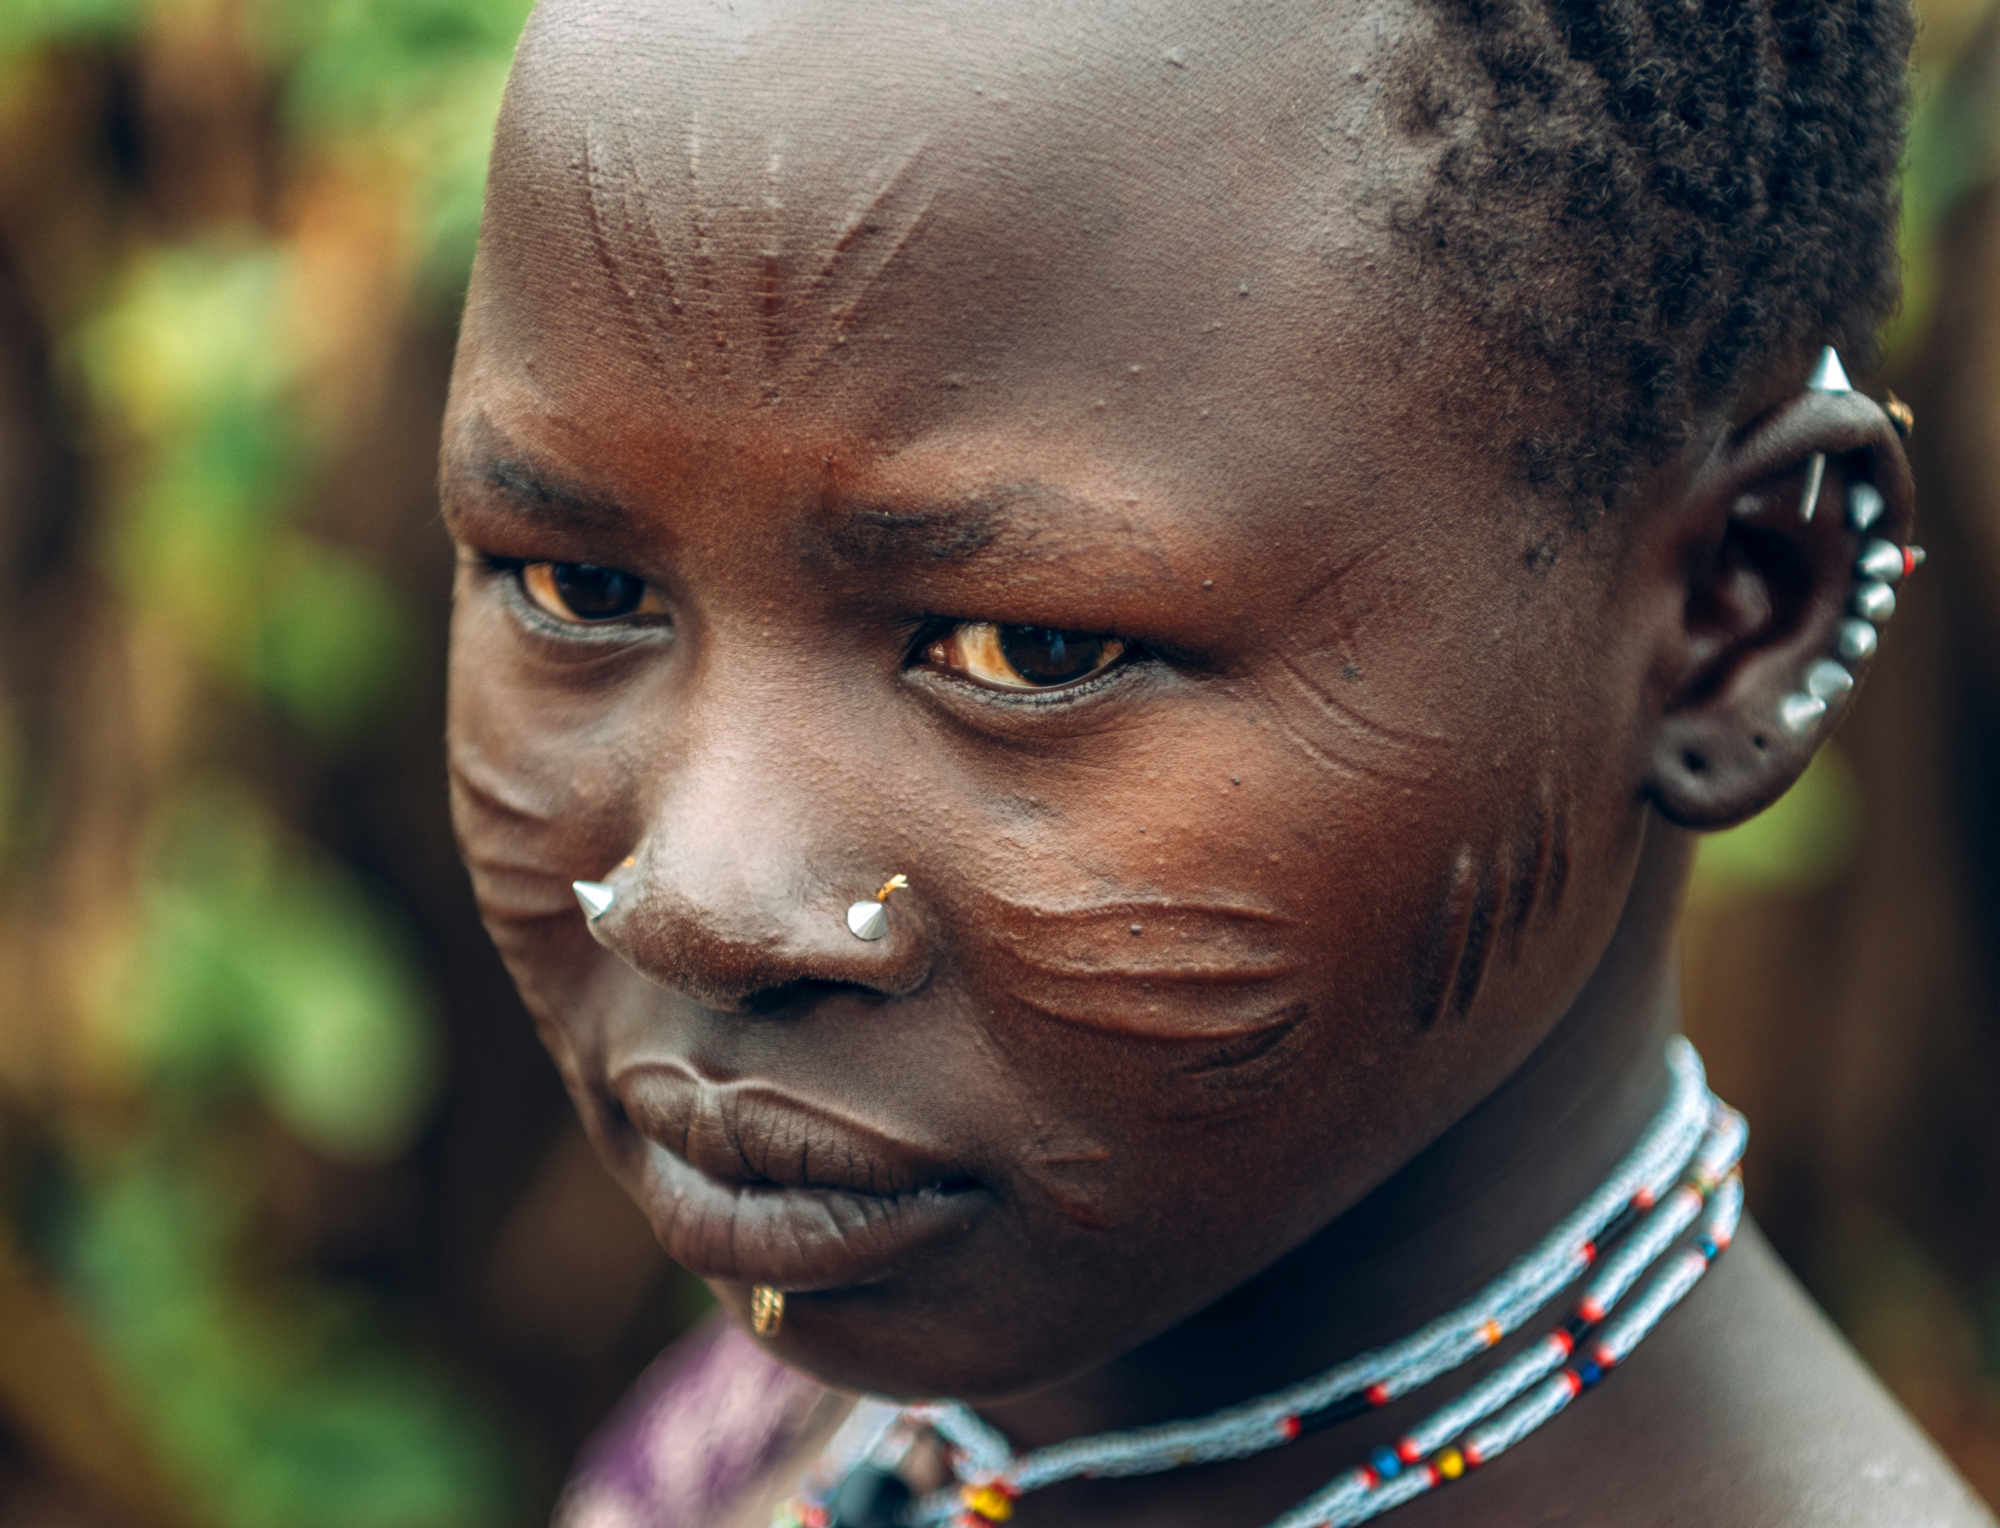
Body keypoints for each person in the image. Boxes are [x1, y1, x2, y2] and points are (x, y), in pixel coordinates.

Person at [438, 0, 1995, 1523]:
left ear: (1733, 621)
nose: (691, 899)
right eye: (582, 589)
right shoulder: (819, 1416)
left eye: (1027, 651)